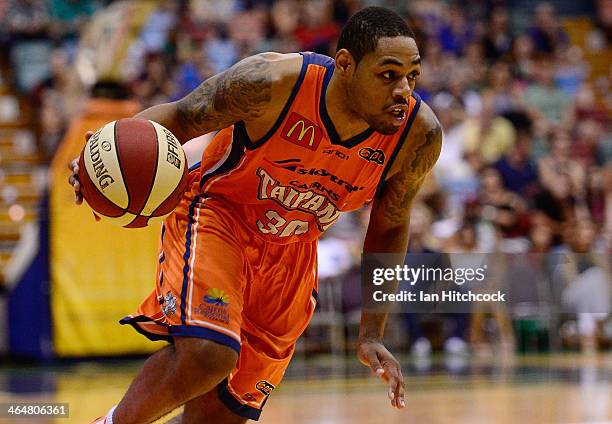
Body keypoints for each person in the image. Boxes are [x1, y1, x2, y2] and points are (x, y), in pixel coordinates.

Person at [70, 7, 442, 424]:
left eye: (413, 75)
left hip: (292, 252)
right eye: (388, 75)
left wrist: (372, 331)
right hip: (220, 215)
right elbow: (178, 117)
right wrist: (102, 156)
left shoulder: (418, 134)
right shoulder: (272, 83)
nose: (403, 91)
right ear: (345, 65)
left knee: (224, 414)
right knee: (210, 353)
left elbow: (391, 225)